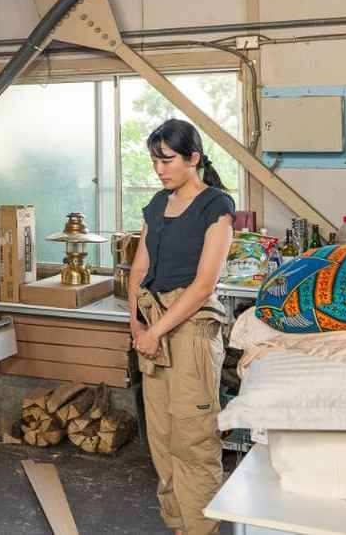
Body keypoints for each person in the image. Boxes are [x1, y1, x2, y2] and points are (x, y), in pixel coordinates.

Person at [128, 119, 234, 535]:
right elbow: (140, 268)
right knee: (162, 436)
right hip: (151, 322)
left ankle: (201, 529)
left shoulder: (216, 206)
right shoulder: (156, 205)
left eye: (167, 160)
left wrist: (155, 333)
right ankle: (178, 525)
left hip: (190, 327)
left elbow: (204, 284)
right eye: (154, 161)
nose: (159, 169)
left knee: (193, 438)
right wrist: (137, 325)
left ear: (193, 158)